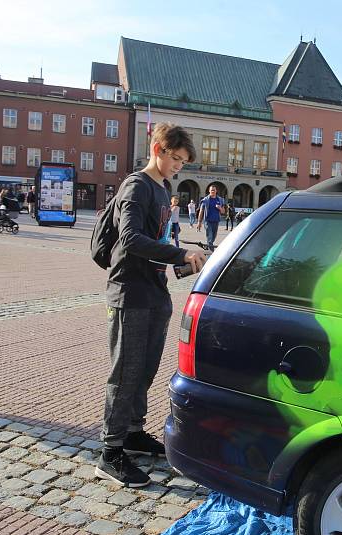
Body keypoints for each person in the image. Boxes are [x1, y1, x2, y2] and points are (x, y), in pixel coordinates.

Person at [96, 122, 206, 488]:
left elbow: (154, 245)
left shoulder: (163, 187)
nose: (178, 165)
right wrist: (180, 252)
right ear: (157, 149)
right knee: (125, 373)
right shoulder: (138, 185)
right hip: (130, 294)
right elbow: (129, 240)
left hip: (154, 292)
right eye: (174, 158)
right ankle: (110, 453)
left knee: (143, 371)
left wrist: (181, 262)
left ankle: (132, 433)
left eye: (183, 161)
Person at [197, 184, 226, 250]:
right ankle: (211, 252)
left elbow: (223, 212)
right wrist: (199, 222)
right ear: (209, 191)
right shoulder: (205, 200)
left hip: (216, 221)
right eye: (211, 190)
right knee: (210, 237)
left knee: (213, 237)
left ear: (216, 191)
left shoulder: (220, 200)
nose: (213, 191)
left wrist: (220, 208)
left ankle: (207, 247)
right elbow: (201, 211)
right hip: (208, 221)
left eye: (214, 190)